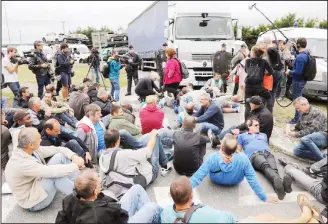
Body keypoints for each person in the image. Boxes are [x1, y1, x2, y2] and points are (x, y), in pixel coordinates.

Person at [5, 127, 84, 211]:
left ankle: (82, 184)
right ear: (31, 144)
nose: (41, 140)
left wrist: (73, 156)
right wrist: (76, 166)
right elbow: (53, 172)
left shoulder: (28, 149)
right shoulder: (22, 163)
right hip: (34, 202)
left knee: (60, 156)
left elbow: (57, 149)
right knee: (55, 175)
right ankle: (83, 197)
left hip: (37, 184)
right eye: (39, 139)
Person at [190, 134, 278, 203]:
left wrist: (184, 192)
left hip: (216, 180)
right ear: (236, 149)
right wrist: (264, 197)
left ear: (222, 147)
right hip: (235, 181)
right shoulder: (243, 159)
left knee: (206, 165)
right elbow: (252, 179)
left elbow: (198, 176)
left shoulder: (212, 158)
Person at [55, 170, 162, 223]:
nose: (101, 182)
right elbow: (123, 217)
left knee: (137, 188)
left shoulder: (68, 199)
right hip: (118, 219)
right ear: (95, 192)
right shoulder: (103, 212)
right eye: (99, 183)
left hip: (111, 215)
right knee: (152, 207)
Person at [237, 117, 292, 200]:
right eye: (256, 125)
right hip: (254, 155)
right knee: (265, 166)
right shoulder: (242, 136)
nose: (258, 127)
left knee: (274, 169)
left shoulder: (264, 135)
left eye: (258, 125)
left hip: (268, 154)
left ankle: (280, 190)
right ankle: (282, 184)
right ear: (249, 125)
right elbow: (238, 151)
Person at [99, 129, 172, 186]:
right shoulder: (125, 154)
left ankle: (165, 162)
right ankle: (165, 164)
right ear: (118, 141)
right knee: (156, 137)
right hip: (149, 174)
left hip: (128, 175)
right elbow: (148, 151)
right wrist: (153, 135)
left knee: (147, 138)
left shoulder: (102, 157)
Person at [161, 176, 235, 223]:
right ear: (191, 195)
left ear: (171, 196)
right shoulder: (206, 214)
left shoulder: (165, 213)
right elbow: (229, 218)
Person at [244, 45, 274, 120]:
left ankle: (246, 122)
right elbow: (271, 71)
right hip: (258, 87)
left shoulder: (247, 61)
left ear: (252, 52)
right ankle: (268, 116)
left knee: (248, 105)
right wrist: (265, 74)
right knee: (269, 97)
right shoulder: (263, 62)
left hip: (248, 86)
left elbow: (246, 71)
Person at [285, 37, 309, 124]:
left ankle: (297, 120)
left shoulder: (300, 57)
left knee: (297, 101)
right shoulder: (306, 53)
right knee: (300, 99)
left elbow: (298, 71)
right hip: (302, 81)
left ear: (298, 45)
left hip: (298, 81)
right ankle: (300, 119)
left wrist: (289, 72)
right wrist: (295, 47)